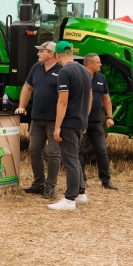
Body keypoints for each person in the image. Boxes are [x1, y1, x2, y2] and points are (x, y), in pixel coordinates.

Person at [15, 41, 61, 199]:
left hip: (54, 120)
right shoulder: (36, 68)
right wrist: (22, 106)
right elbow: (27, 87)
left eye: (41, 51)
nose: (38, 53)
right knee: (34, 150)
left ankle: (50, 186)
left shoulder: (62, 71)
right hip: (37, 117)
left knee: (54, 153)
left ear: (51, 54)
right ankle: (38, 184)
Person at [49, 41, 92, 211]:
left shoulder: (64, 72)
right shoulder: (84, 70)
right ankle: (81, 193)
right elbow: (89, 100)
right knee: (75, 156)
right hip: (81, 120)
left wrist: (57, 126)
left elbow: (63, 101)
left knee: (70, 159)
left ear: (57, 55)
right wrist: (85, 120)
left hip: (68, 121)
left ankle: (69, 199)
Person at [78, 53, 117, 193]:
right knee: (80, 152)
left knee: (102, 151)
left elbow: (106, 99)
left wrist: (110, 117)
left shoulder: (101, 78)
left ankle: (105, 180)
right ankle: (81, 178)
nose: (100, 65)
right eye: (98, 62)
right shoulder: (80, 77)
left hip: (97, 122)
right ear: (89, 64)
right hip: (82, 122)